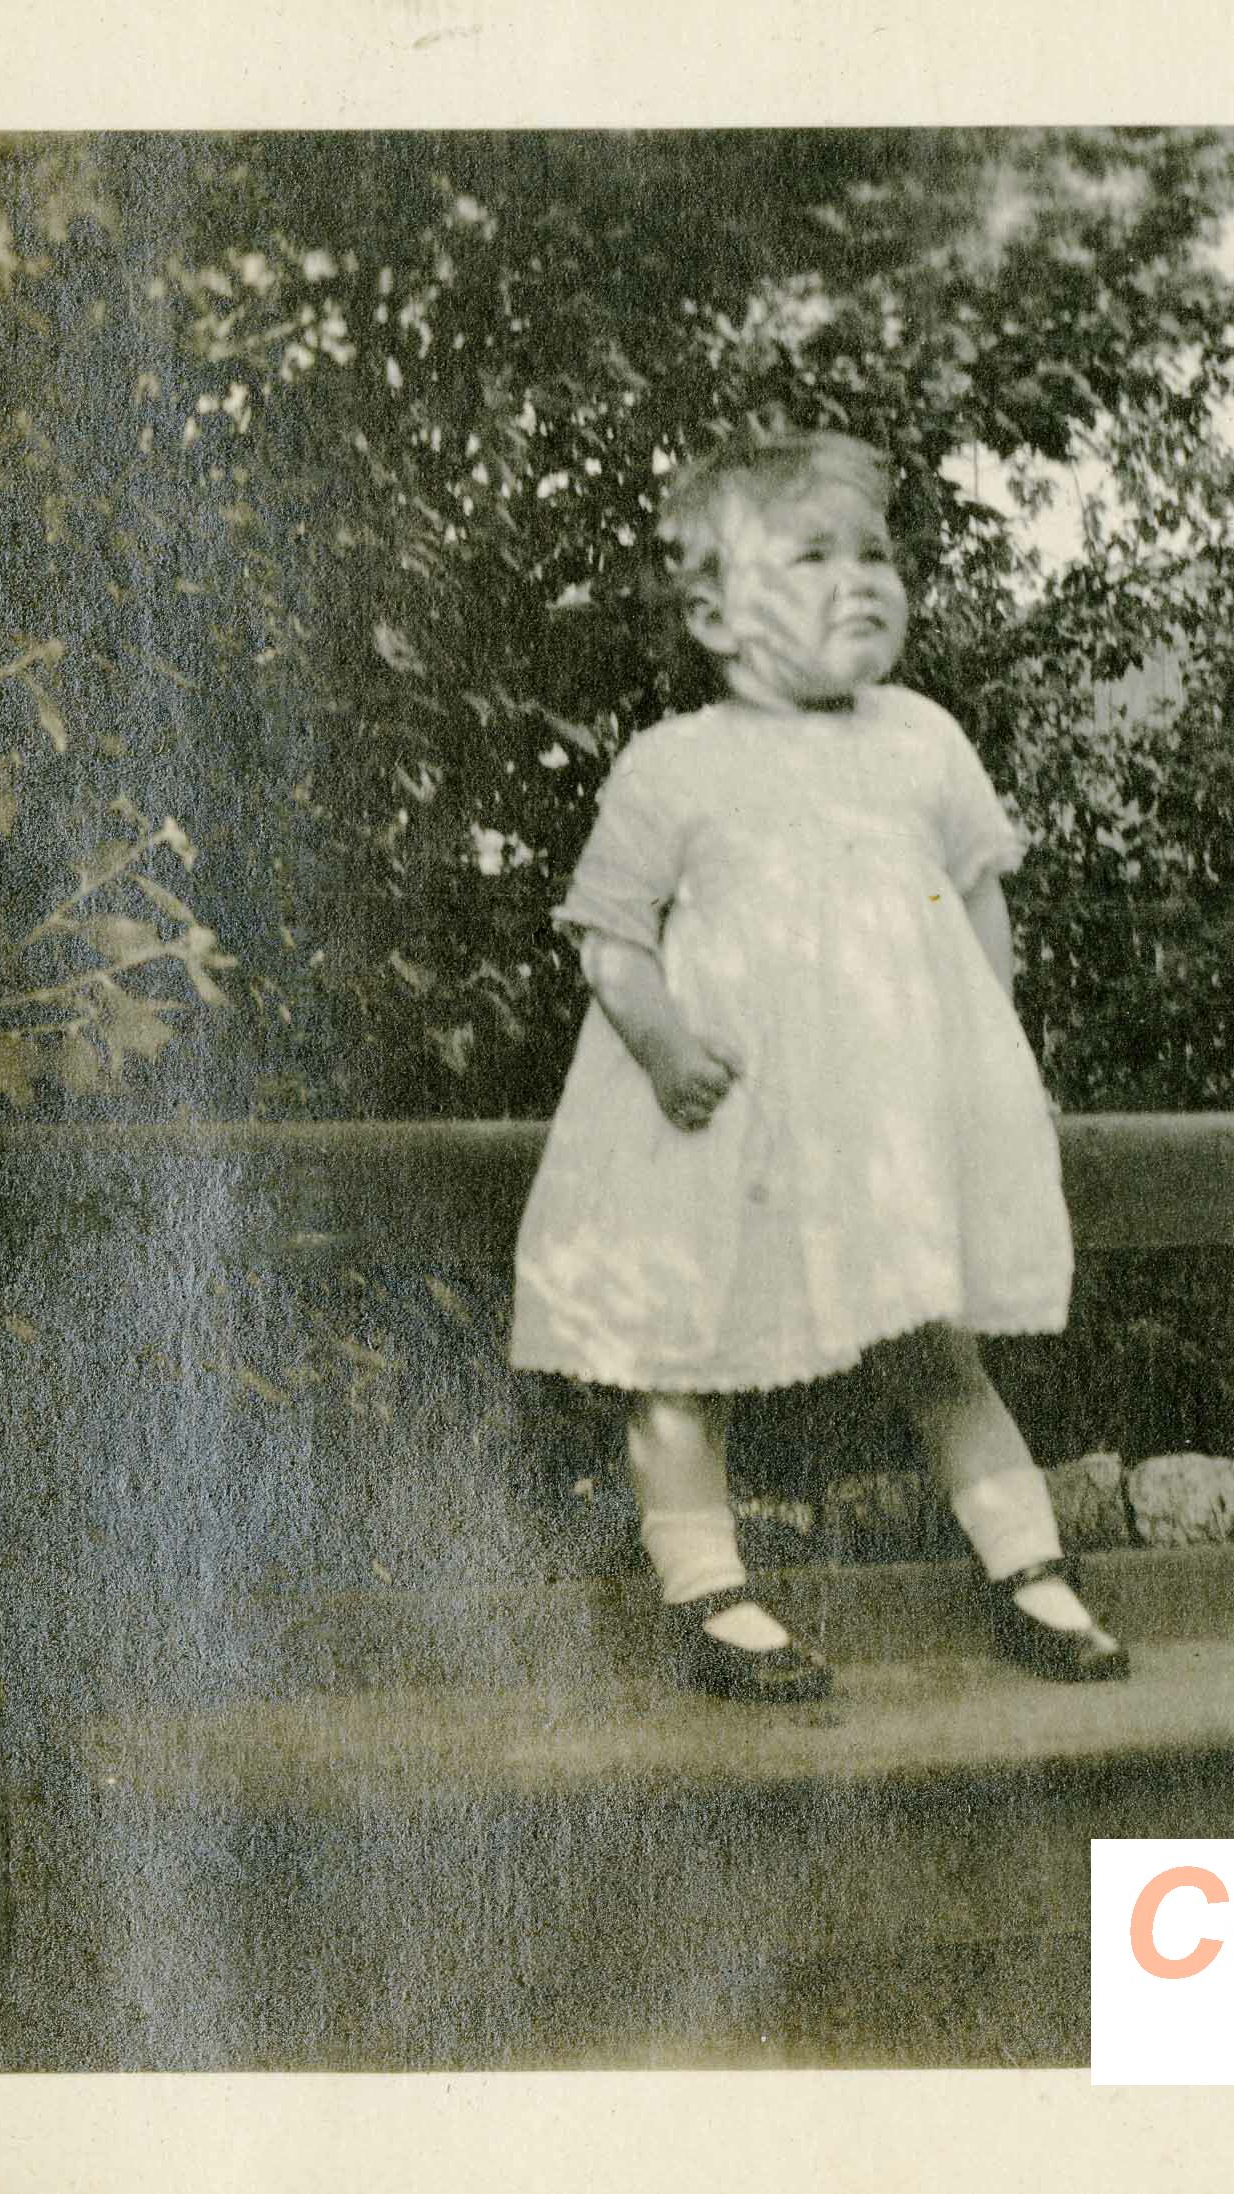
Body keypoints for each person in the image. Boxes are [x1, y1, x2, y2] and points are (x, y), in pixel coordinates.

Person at [511, 427, 1123, 1704]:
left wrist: (992, 1052)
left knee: (931, 1338)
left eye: (877, 553)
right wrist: (667, 1049)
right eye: (812, 556)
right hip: (727, 1117)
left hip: (885, 1117)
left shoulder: (921, 741)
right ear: (716, 611)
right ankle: (706, 1587)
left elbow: (976, 897)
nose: (862, 579)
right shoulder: (677, 762)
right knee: (685, 1352)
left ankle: (1027, 1563)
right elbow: (609, 937)